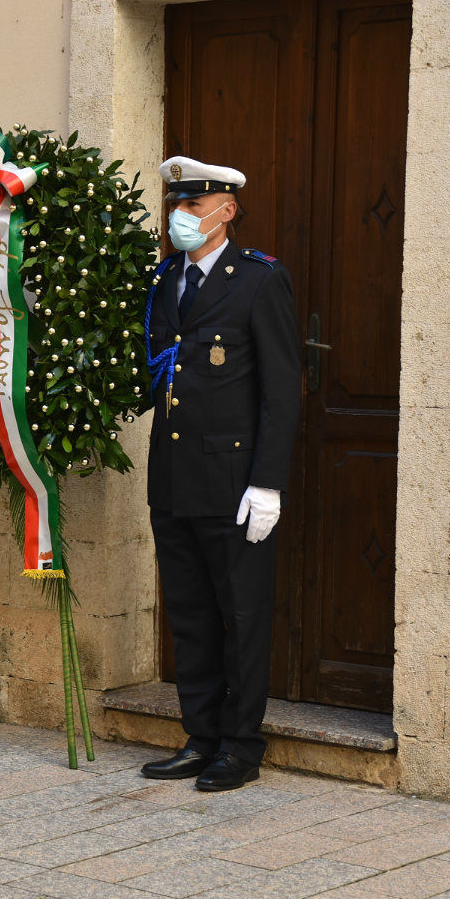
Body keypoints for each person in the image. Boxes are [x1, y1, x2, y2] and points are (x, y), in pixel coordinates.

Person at [139, 157, 301, 792]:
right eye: (174, 206)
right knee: (191, 614)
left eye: (193, 207)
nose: (180, 218)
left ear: (226, 211)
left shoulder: (260, 280)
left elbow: (282, 392)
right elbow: (154, 373)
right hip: (174, 478)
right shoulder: (163, 281)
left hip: (234, 483)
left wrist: (267, 483)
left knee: (241, 613)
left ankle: (241, 745)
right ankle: (200, 736)